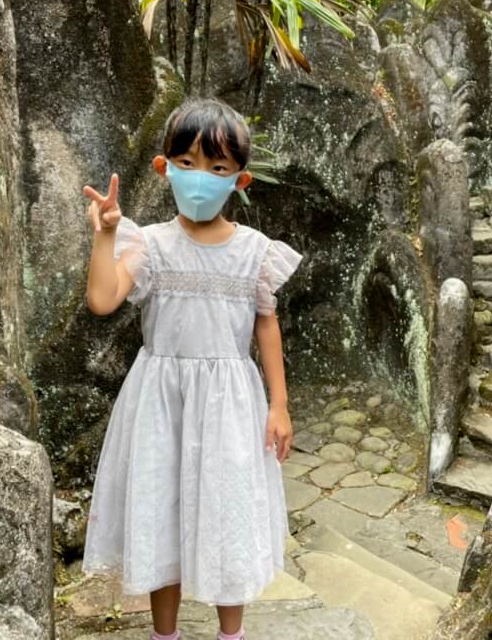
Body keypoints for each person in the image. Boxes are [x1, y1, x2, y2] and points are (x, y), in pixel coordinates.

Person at [79, 97, 303, 640]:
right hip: (160, 402)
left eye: (218, 168)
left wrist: (279, 405)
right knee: (162, 510)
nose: (200, 178)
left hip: (230, 404)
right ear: (164, 168)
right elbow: (103, 300)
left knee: (228, 509)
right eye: (187, 164)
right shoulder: (150, 245)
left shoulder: (255, 252)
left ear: (240, 182)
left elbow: (265, 325)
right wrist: (105, 233)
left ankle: (232, 634)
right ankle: (165, 634)